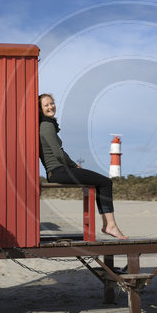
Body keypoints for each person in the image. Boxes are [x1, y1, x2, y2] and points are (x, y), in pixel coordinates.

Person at [39, 93, 128, 240]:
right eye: (46, 105)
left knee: (102, 183)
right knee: (106, 182)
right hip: (58, 171)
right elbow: (58, 154)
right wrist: (74, 165)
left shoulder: (47, 125)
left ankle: (108, 225)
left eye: (52, 103)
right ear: (40, 109)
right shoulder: (47, 126)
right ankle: (110, 225)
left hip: (58, 171)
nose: (51, 106)